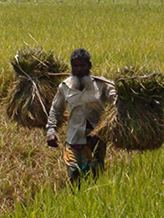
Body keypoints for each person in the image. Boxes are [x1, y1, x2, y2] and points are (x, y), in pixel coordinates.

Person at [46, 48, 117, 185]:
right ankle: (75, 199)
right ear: (71, 67)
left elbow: (116, 99)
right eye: (75, 66)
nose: (79, 69)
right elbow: (56, 110)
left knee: (96, 175)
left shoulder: (101, 85)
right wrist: (51, 131)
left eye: (82, 65)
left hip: (96, 139)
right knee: (74, 174)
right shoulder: (65, 87)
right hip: (74, 138)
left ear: (89, 66)